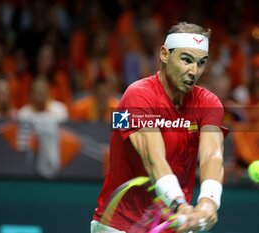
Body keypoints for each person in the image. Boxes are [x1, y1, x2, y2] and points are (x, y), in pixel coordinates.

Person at [92, 22, 227, 233]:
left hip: (174, 224)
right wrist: (178, 204)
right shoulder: (136, 95)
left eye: (201, 62)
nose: (194, 71)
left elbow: (212, 155)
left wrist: (209, 201)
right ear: (165, 54)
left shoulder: (209, 103)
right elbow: (153, 157)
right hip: (120, 226)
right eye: (186, 60)